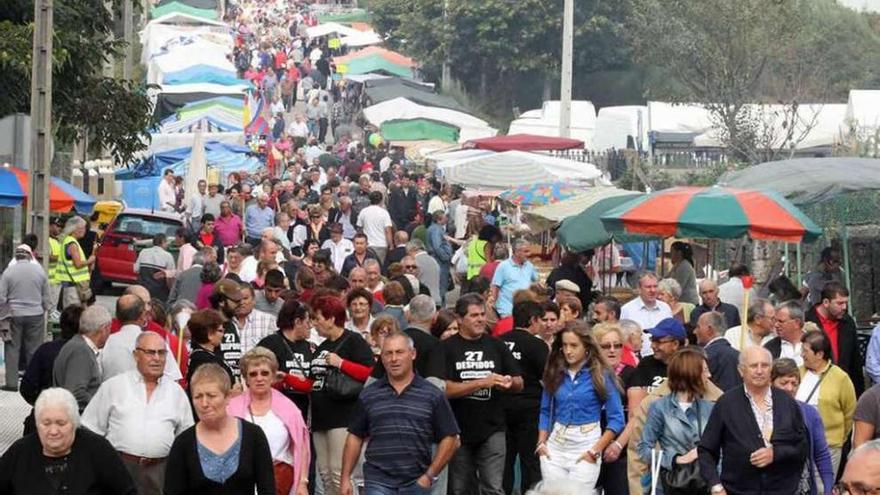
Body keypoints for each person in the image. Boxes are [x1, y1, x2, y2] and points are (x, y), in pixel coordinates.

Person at [341, 332, 461, 495]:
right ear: (381, 358)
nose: (394, 359)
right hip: (377, 479)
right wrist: (345, 478)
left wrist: (429, 475)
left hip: (416, 481)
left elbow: (451, 438)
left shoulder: (432, 394)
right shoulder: (369, 394)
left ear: (413, 354)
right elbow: (354, 436)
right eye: (388, 353)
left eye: (399, 352)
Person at [82, 331, 194, 494]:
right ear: (136, 355)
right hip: (119, 468)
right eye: (150, 352)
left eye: (161, 353)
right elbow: (90, 430)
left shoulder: (176, 392)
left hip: (160, 472)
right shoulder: (113, 386)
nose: (157, 358)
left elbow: (185, 437)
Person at [441, 293, 524, 495]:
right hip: (457, 429)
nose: (480, 320)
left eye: (482, 314)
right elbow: (442, 389)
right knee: (460, 489)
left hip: (493, 427)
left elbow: (519, 382)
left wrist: (508, 382)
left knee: (493, 488)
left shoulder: (496, 345)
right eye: (474, 315)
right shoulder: (445, 348)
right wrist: (481, 382)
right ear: (459, 319)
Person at [697, 346, 808, 495]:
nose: (760, 371)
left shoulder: (787, 402)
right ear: (741, 370)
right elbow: (706, 450)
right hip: (737, 490)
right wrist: (715, 486)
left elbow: (801, 447)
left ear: (771, 369)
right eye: (754, 366)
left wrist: (776, 453)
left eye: (765, 365)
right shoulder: (726, 403)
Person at [537, 320, 625, 493]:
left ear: (586, 346)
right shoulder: (555, 372)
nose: (568, 350)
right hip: (555, 445)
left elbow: (617, 419)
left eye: (574, 345)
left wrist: (595, 450)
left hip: (587, 443)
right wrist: (541, 443)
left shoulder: (601, 374)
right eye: (564, 345)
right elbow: (545, 410)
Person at [164, 363, 276, 494]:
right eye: (198, 397)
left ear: (228, 396)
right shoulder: (183, 443)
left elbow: (267, 489)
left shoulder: (253, 435)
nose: (204, 404)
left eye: (211, 396)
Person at [0, 387, 137, 494]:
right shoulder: (21, 451)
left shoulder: (98, 449)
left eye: (61, 423)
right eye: (46, 423)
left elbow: (126, 490)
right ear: (36, 423)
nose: (53, 431)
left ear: (74, 423)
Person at [309, 295, 375, 495]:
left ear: (330, 318)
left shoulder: (353, 340)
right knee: (326, 475)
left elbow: (370, 373)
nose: (314, 323)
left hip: (343, 417)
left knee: (341, 473)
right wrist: (286, 377)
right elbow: (313, 382)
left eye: (317, 318)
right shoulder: (322, 346)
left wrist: (341, 363)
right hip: (321, 418)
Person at [228, 348, 311, 495]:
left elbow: (302, 448)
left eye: (265, 373)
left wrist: (302, 482)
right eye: (253, 374)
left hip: (280, 484)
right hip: (241, 484)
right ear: (246, 379)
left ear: (273, 376)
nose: (259, 378)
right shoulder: (231, 409)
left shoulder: (290, 409)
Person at [637, 347, 715, 494]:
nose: (709, 375)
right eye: (704, 370)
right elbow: (643, 449)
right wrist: (676, 459)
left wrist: (717, 484)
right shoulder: (660, 407)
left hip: (703, 485)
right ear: (690, 373)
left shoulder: (709, 408)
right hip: (670, 485)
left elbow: (719, 450)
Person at [501, 300, 551, 494]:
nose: (543, 325)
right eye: (540, 320)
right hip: (530, 409)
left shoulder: (499, 341)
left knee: (504, 461)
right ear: (532, 320)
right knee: (530, 461)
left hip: (502, 407)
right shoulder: (537, 345)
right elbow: (548, 377)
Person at [771, 358, 834, 495]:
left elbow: (822, 454)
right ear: (771, 383)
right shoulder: (763, 412)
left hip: (803, 488)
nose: (790, 388)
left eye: (794, 384)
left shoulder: (809, 413)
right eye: (784, 383)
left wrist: (828, 486)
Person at [797, 330, 856, 476]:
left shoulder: (840, 377)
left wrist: (839, 438)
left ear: (819, 354)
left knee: (823, 487)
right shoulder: (797, 373)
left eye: (805, 351)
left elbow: (850, 412)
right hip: (801, 444)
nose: (801, 355)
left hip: (829, 445)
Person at [20, 305, 82, 434]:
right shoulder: (88, 353)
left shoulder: (45, 350)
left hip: (44, 414)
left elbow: (27, 387)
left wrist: (41, 402)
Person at [0, 244, 52, 390]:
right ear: (30, 256)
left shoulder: (8, 272)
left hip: (14, 315)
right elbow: (46, 297)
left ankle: (11, 383)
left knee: (12, 347)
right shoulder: (39, 272)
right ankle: (32, 382)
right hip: (35, 314)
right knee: (33, 349)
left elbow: (1, 297)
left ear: (16, 257)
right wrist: (47, 310)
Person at [593, 323, 636, 494]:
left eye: (617, 345)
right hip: (589, 444)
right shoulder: (587, 374)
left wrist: (618, 445)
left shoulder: (632, 373)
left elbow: (635, 416)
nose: (612, 350)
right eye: (606, 346)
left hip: (620, 447)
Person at [101, 294, 182, 382]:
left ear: (117, 316)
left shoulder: (105, 343)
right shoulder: (156, 342)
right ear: (143, 316)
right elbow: (173, 377)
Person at [259, 299, 315, 419]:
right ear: (298, 322)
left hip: (303, 412)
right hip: (275, 412)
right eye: (308, 321)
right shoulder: (270, 344)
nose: (311, 326)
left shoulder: (310, 347)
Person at [804, 282, 864, 395]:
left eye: (846, 303)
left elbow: (855, 361)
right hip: (815, 387)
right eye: (840, 303)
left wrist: (858, 394)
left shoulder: (847, 322)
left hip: (842, 387)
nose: (844, 307)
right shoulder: (807, 321)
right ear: (826, 302)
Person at [52, 305, 112, 410]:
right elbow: (75, 393)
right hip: (79, 419)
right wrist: (102, 406)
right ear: (104, 329)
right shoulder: (81, 351)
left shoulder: (77, 346)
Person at [627, 318, 685, 416]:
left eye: (658, 341)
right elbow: (635, 405)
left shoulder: (689, 367)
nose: (652, 346)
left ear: (675, 344)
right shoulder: (646, 364)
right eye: (652, 340)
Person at [620, 272, 673, 357]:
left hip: (663, 358)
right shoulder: (627, 310)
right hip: (639, 359)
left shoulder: (665, 308)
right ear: (639, 289)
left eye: (655, 286)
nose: (652, 290)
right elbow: (622, 338)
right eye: (648, 287)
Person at [186, 309, 235, 389]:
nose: (223, 334)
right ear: (210, 334)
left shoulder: (205, 355)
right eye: (220, 331)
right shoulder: (203, 359)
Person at [491, 239, 539, 318]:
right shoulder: (503, 266)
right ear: (517, 252)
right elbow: (495, 287)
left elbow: (537, 282)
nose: (529, 254)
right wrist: (493, 306)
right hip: (506, 310)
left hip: (524, 310)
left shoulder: (529, 266)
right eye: (526, 251)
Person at [695, 311, 742, 392]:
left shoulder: (704, 356)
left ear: (709, 329)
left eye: (698, 327)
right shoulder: (738, 355)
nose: (694, 331)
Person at [209, 279, 246, 378]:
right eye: (236, 301)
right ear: (221, 301)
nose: (241, 304)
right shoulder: (208, 325)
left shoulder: (233, 325)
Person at [59, 216, 95, 308]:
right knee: (73, 312)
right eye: (82, 228)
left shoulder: (68, 241)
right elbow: (78, 264)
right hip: (73, 285)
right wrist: (89, 261)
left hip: (71, 283)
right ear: (74, 229)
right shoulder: (72, 244)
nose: (84, 230)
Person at [235, 284, 277, 355]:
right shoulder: (225, 320)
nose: (241, 303)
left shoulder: (268, 320)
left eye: (245, 298)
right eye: (237, 299)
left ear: (254, 300)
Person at [134, 233, 176, 302]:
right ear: (163, 242)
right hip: (160, 294)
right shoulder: (168, 256)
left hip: (143, 291)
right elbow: (171, 276)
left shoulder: (143, 252)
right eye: (166, 242)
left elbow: (136, 269)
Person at [356, 191, 394, 264]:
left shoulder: (363, 211)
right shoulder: (384, 213)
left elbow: (359, 228)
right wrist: (391, 245)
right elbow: (387, 230)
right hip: (381, 245)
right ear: (381, 200)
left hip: (367, 244)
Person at [765, 300, 806, 365]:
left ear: (797, 323)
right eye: (775, 321)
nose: (776, 325)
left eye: (781, 321)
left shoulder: (815, 343)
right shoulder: (769, 348)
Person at [426, 211, 453, 306]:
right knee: (441, 285)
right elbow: (437, 246)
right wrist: (445, 257)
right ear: (439, 219)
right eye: (444, 217)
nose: (446, 219)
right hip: (440, 261)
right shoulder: (436, 230)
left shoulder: (435, 229)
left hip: (439, 260)